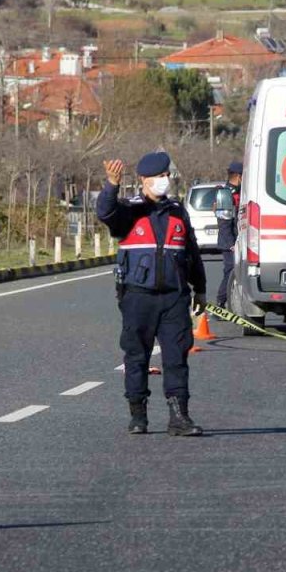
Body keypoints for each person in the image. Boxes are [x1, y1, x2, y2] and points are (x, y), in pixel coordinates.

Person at [98, 152, 208, 436]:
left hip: (174, 297)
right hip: (138, 297)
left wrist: (201, 289)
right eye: (160, 176)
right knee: (137, 356)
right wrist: (111, 185)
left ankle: (179, 417)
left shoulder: (177, 210)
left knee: (176, 357)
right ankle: (138, 415)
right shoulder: (130, 211)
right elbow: (106, 213)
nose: (165, 180)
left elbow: (191, 253)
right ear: (144, 180)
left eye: (167, 175)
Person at [216, 161, 243, 308]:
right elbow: (224, 223)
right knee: (230, 271)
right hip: (229, 242)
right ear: (238, 176)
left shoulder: (240, 193)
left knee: (236, 271)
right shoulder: (225, 194)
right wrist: (231, 243)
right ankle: (220, 303)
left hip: (238, 239)